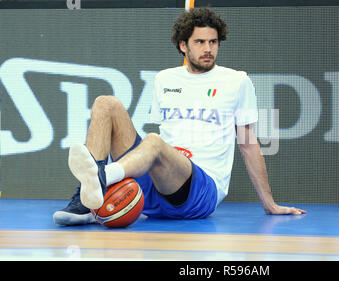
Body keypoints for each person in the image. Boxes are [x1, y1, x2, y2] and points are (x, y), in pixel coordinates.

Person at [53, 7, 306, 226]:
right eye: (200, 42)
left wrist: (270, 203)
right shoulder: (164, 79)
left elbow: (248, 144)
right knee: (105, 103)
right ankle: (86, 202)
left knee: (154, 142)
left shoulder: (237, 80)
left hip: (200, 193)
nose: (208, 49)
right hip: (156, 185)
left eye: (213, 42)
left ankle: (99, 179)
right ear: (183, 45)